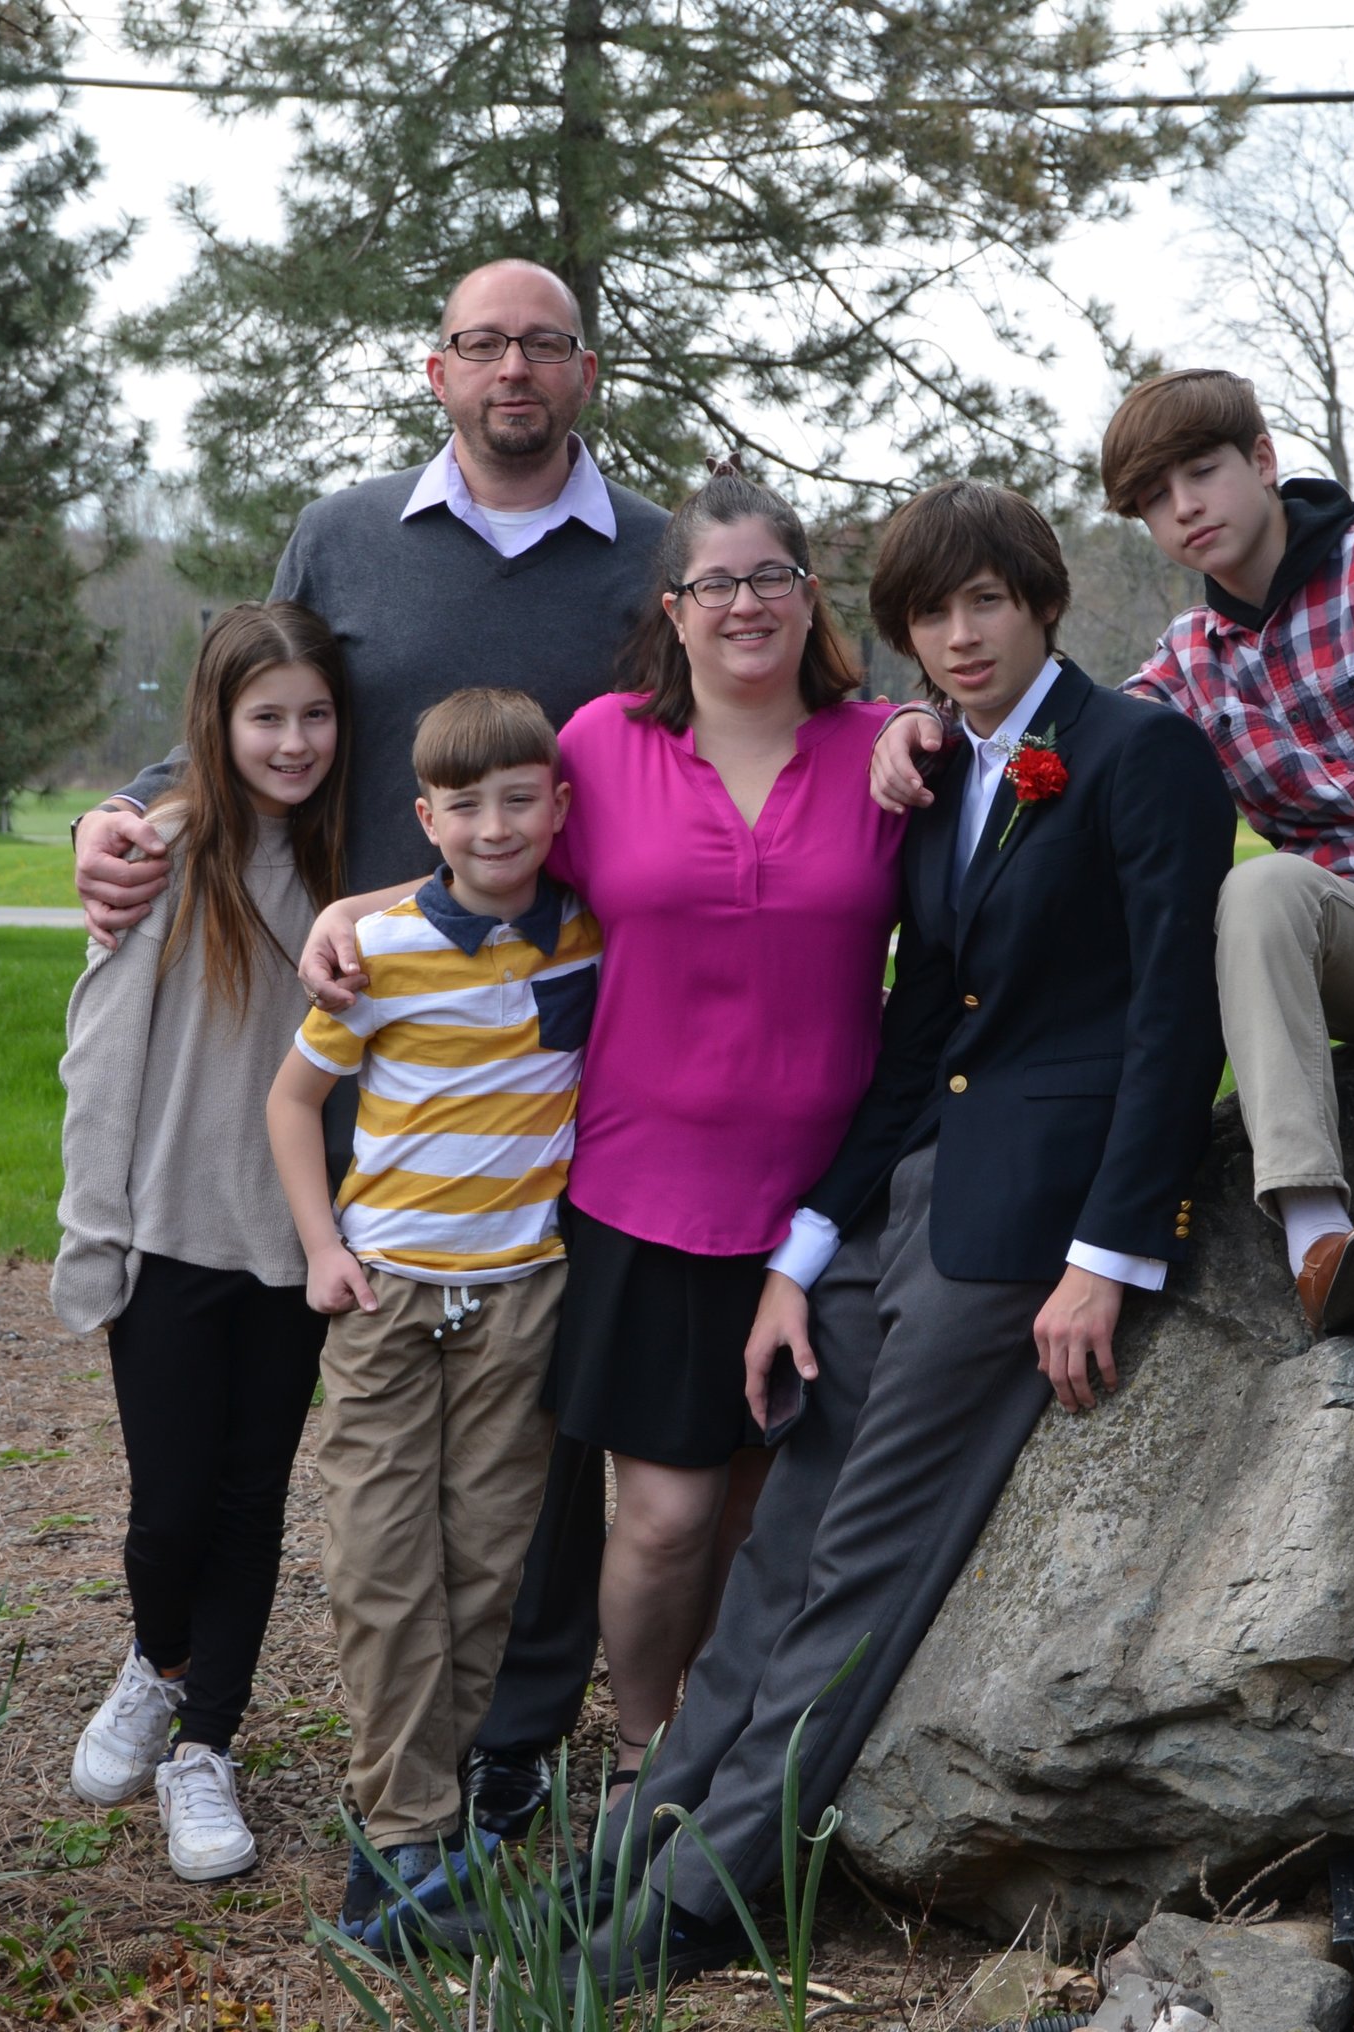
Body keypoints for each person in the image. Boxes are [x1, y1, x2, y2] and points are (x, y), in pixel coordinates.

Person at [543, 480, 1231, 1996]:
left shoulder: (1141, 754)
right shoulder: (939, 775)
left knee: (858, 1565)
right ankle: (612, 1869)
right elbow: (919, 1032)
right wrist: (803, 1254)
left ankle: (699, 1902)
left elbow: (1176, 1021)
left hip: (1026, 1229)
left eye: (986, 601)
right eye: (931, 612)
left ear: (1043, 601)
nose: (960, 635)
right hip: (900, 1202)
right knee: (772, 1551)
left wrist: (1107, 1256)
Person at [71, 258, 672, 1842]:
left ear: (586, 369)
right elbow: (254, 708)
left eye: (543, 344)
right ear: (436, 370)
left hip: (553, 1065)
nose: (513, 369)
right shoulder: (346, 535)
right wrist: (122, 810)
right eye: (483, 344)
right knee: (320, 1439)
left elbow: (746, 723)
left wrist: (895, 733)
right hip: (352, 1043)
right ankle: (214, 1691)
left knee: (529, 1453)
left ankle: (505, 1745)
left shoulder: (658, 556)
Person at [299, 467, 906, 1887]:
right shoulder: (605, 745)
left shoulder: (883, 750)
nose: (745, 605)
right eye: (715, 584)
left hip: (828, 1200)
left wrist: (928, 721)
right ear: (672, 608)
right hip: (642, 1193)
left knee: (761, 1511)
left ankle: (724, 1747)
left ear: (809, 595)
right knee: (668, 1516)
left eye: (771, 578)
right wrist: (355, 912)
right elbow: (487, 867)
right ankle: (640, 1755)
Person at [871, 370, 1354, 1337]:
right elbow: (1068, 729)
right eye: (1152, 498)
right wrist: (915, 719)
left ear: (1264, 459)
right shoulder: (1188, 660)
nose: (1184, 507)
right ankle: (1319, 1238)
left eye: (1202, 473)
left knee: (1260, 889)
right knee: (1261, 894)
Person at [265, 687, 601, 1935]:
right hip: (388, 1294)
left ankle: (432, 1807)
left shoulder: (591, 936)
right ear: (426, 819)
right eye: (466, 805)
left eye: (518, 800)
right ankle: (400, 1830)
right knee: (379, 1558)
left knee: (486, 1562)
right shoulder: (381, 949)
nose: (495, 826)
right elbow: (292, 1102)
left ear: (558, 806)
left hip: (521, 1292)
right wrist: (322, 1249)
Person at [50, 602, 353, 1883]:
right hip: (169, 1234)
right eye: (265, 716)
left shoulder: (355, 867)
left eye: (316, 715)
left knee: (249, 1498)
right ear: (213, 725)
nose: (293, 742)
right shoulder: (160, 854)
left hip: (293, 1239)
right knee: (169, 1507)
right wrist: (95, 1231)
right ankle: (157, 1660)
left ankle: (206, 1744)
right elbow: (101, 1059)